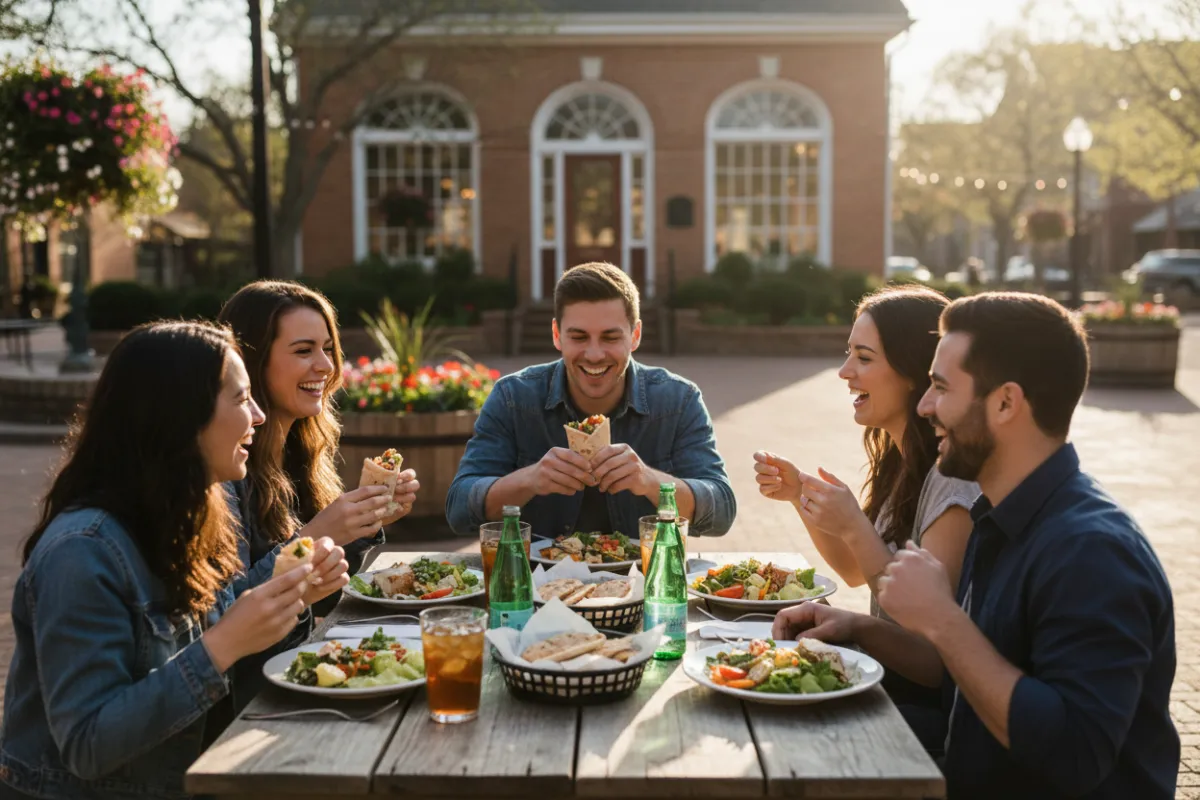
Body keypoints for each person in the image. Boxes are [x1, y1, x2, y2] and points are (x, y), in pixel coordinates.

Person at [0, 321, 349, 800]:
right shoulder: (82, 552)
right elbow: (87, 746)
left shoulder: (195, 513)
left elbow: (231, 638)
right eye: (241, 399)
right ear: (183, 417)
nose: (259, 416)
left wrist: (292, 593)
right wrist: (223, 645)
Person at [877, 292, 1178, 799]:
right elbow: (969, 702)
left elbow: (1074, 755)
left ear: (1005, 402)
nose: (925, 406)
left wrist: (942, 620)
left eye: (940, 387)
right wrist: (856, 636)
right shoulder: (1000, 517)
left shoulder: (1092, 552)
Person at [760, 285, 977, 753]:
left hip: (927, 712)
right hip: (889, 680)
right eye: (847, 354)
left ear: (913, 371)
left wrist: (854, 622)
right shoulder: (900, 462)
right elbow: (855, 570)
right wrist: (801, 496)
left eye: (863, 357)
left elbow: (931, 661)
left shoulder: (952, 488)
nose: (844, 372)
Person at [216, 280, 420, 708]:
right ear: (252, 362)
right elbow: (226, 620)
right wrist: (313, 538)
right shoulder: (224, 473)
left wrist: (364, 523)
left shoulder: (300, 451)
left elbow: (321, 596)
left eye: (328, 348)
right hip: (249, 706)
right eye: (304, 350)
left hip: (297, 671)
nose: (325, 365)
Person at [447, 261, 735, 539]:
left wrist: (650, 481)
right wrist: (528, 480)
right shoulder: (513, 397)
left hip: (644, 582)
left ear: (635, 336)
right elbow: (459, 508)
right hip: (536, 582)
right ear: (557, 335)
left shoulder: (679, 399)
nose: (595, 354)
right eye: (579, 337)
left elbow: (721, 510)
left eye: (610, 338)